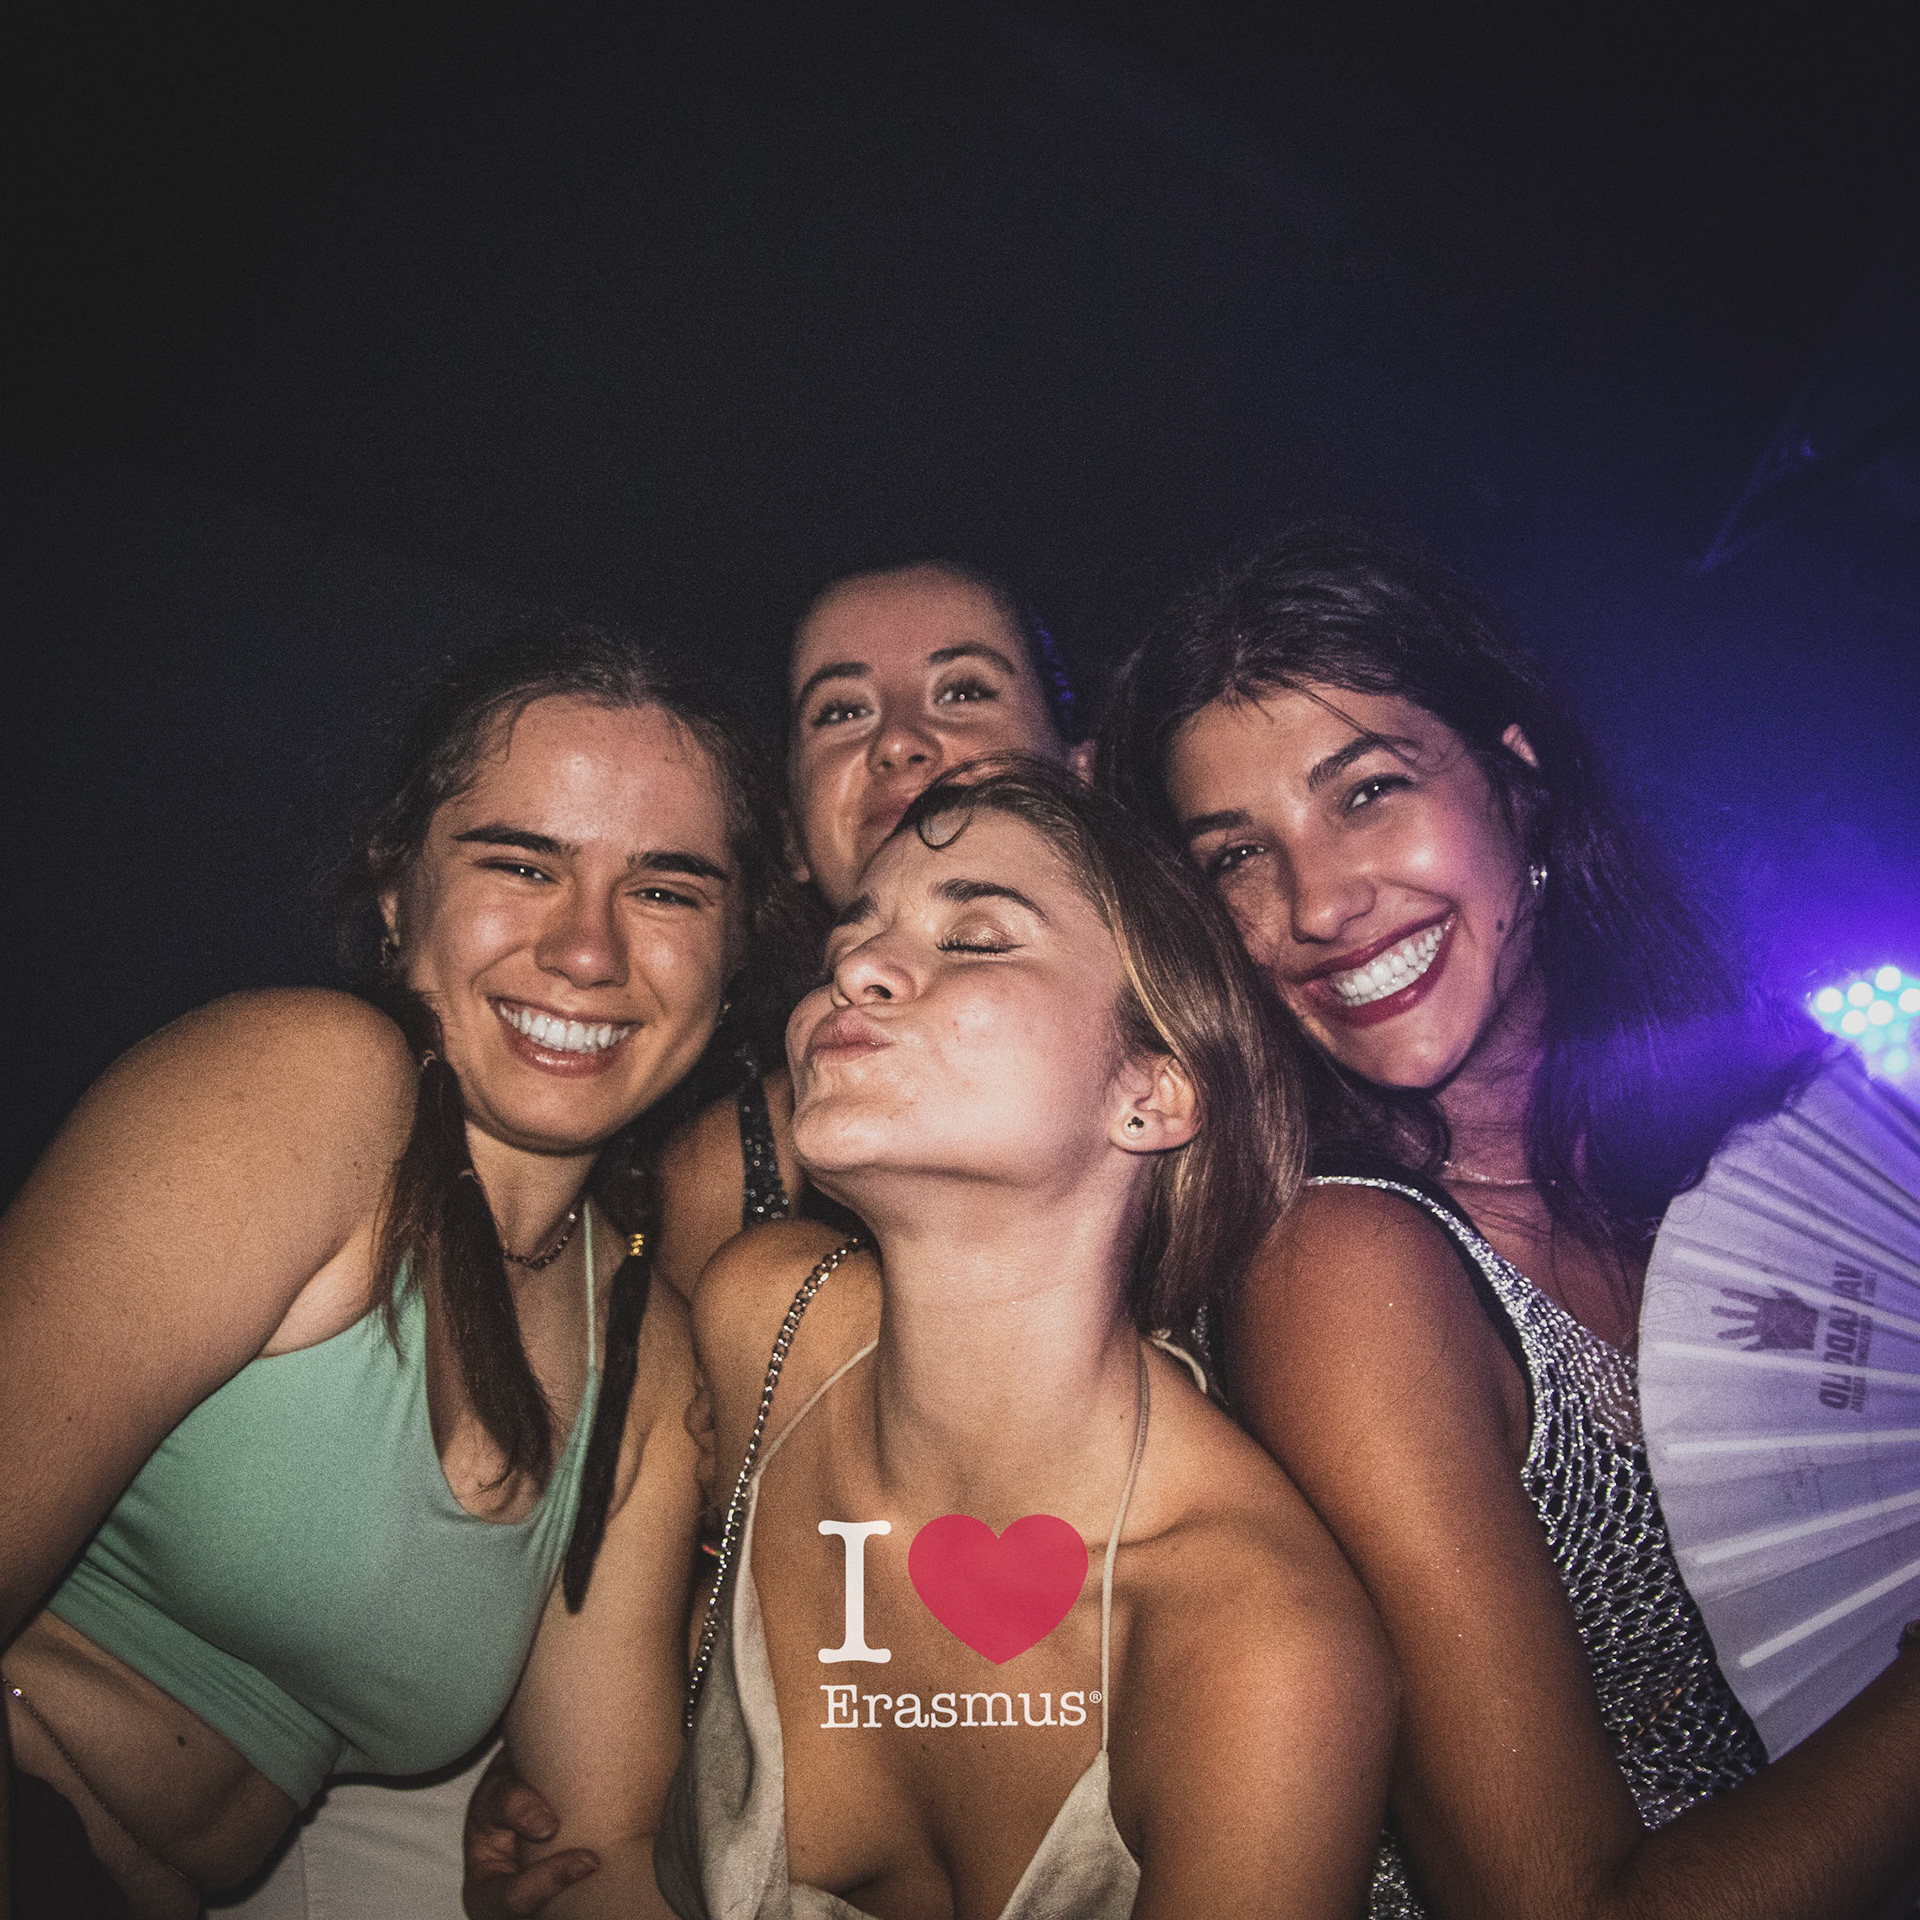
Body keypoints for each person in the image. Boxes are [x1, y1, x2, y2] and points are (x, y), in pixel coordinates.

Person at [1096, 522, 1920, 1920]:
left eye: (1367, 792)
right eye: (1236, 857)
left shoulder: (1764, 1159)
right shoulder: (1343, 1263)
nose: (1318, 903)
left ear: (1520, 779)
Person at [2, 621, 796, 1919]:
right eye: (522, 865)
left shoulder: (643, 1350)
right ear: (394, 891)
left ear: (736, 951)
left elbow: (598, 1845)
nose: (587, 951)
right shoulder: (309, 1087)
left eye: (665, 891)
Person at [654, 759, 1391, 1920]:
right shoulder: (764, 1318)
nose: (856, 968)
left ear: (1151, 1092)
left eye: (977, 937)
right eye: (854, 936)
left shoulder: (1259, 1653)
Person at [651, 559, 1090, 1302]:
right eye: (841, 712)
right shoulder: (720, 1180)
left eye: (963, 692)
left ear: (1082, 774)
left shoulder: (1239, 1085)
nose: (898, 740)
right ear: (790, 835)